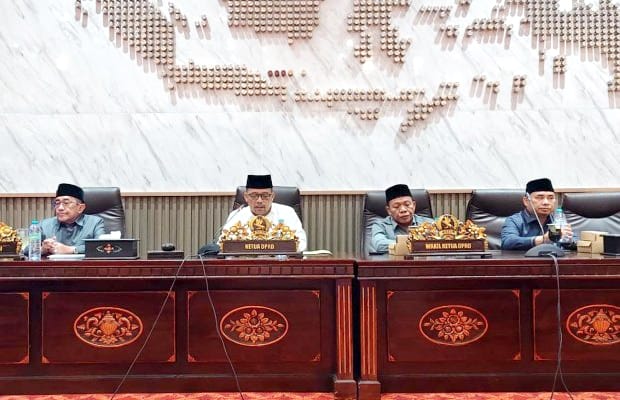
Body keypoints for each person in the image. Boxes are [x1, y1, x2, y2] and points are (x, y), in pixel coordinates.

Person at [219, 175, 307, 251]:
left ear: (272, 196)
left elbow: (301, 243)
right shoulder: (237, 215)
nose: (259, 201)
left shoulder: (287, 213)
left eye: (265, 196)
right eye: (254, 196)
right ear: (246, 197)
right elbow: (222, 244)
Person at [501, 178, 573, 250]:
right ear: (526, 201)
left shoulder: (556, 220)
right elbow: (507, 242)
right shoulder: (515, 220)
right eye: (539, 198)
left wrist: (569, 241)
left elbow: (573, 241)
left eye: (551, 198)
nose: (546, 202)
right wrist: (544, 239)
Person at [39, 183, 106, 255]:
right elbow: (30, 248)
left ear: (80, 208)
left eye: (66, 203)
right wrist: (42, 249)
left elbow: (102, 247)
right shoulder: (44, 225)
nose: (60, 208)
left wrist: (71, 250)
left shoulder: (95, 223)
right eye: (57, 203)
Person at [369, 184, 434, 254]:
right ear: (389, 210)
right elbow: (379, 245)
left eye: (407, 204)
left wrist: (399, 245)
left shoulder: (430, 223)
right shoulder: (380, 226)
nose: (403, 210)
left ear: (414, 205)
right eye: (396, 206)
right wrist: (417, 244)